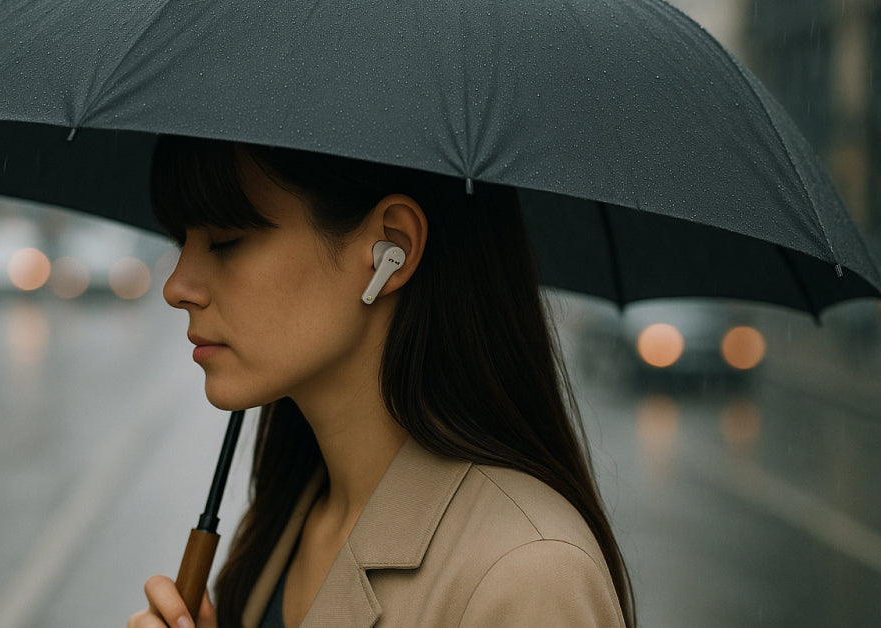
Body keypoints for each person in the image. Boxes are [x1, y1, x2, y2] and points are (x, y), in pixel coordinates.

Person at [128, 135, 634, 627]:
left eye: (225, 241)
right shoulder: (283, 520)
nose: (177, 287)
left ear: (390, 247)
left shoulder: (528, 575)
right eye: (181, 241)